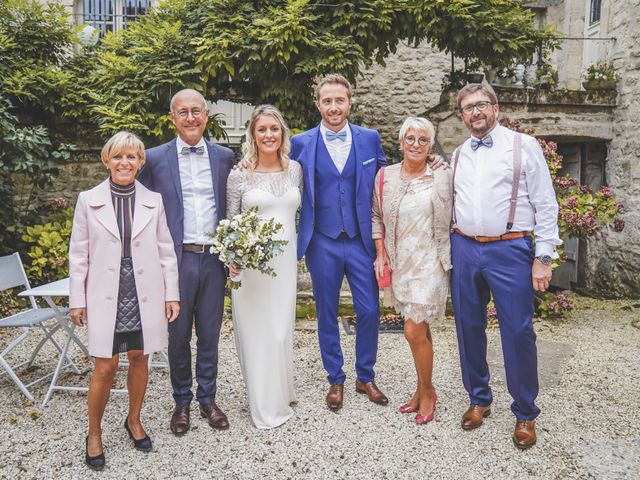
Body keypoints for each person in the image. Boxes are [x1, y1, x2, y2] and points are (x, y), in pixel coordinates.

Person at [450, 83, 561, 449]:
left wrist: (543, 257)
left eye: (481, 104)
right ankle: (479, 398)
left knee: (517, 331)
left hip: (511, 249)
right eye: (468, 107)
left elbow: (546, 204)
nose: (475, 112)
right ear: (462, 115)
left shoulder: (522, 145)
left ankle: (525, 412)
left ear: (495, 108)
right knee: (468, 326)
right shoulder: (459, 153)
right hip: (465, 247)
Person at [68, 131, 180, 470]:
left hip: (143, 291)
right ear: (106, 160)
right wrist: (77, 299)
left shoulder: (153, 200)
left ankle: (133, 419)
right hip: (106, 292)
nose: (124, 162)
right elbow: (79, 255)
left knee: (139, 358)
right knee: (106, 365)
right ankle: (94, 433)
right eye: (118, 156)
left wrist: (171, 293)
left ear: (141, 162)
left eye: (132, 157)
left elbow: (166, 251)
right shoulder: (88, 200)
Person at [138, 89, 234, 435]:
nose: (190, 117)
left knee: (209, 334)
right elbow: (138, 207)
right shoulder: (153, 159)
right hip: (174, 261)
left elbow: (233, 206)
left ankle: (207, 399)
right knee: (178, 337)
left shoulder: (225, 157)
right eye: (183, 112)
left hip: (212, 260)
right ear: (172, 118)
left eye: (196, 111)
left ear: (206, 115)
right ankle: (182, 401)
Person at [290, 74, 388, 411]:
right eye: (327, 101)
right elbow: (276, 170)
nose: (334, 107)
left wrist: (430, 162)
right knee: (326, 311)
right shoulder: (300, 142)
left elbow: (387, 179)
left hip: (360, 239)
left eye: (339, 100)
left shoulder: (369, 139)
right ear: (318, 104)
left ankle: (365, 375)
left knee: (369, 309)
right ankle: (336, 377)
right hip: (322, 240)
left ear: (349, 102)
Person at [372, 117, 452, 424]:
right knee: (421, 328)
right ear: (401, 142)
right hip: (400, 260)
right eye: (410, 138)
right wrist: (381, 254)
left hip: (430, 261)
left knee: (412, 330)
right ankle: (420, 391)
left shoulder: (444, 175)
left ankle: (428, 392)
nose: (416, 144)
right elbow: (375, 216)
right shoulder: (385, 176)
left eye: (422, 139)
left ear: (431, 145)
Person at [226, 105, 302, 428]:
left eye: (274, 129)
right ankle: (264, 406)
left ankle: (281, 391)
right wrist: (233, 259)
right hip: (252, 267)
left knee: (282, 328)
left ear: (282, 133)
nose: (268, 135)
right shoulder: (239, 174)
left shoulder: (295, 169)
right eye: (262, 130)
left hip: (285, 264)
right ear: (252, 135)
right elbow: (230, 221)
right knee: (258, 332)